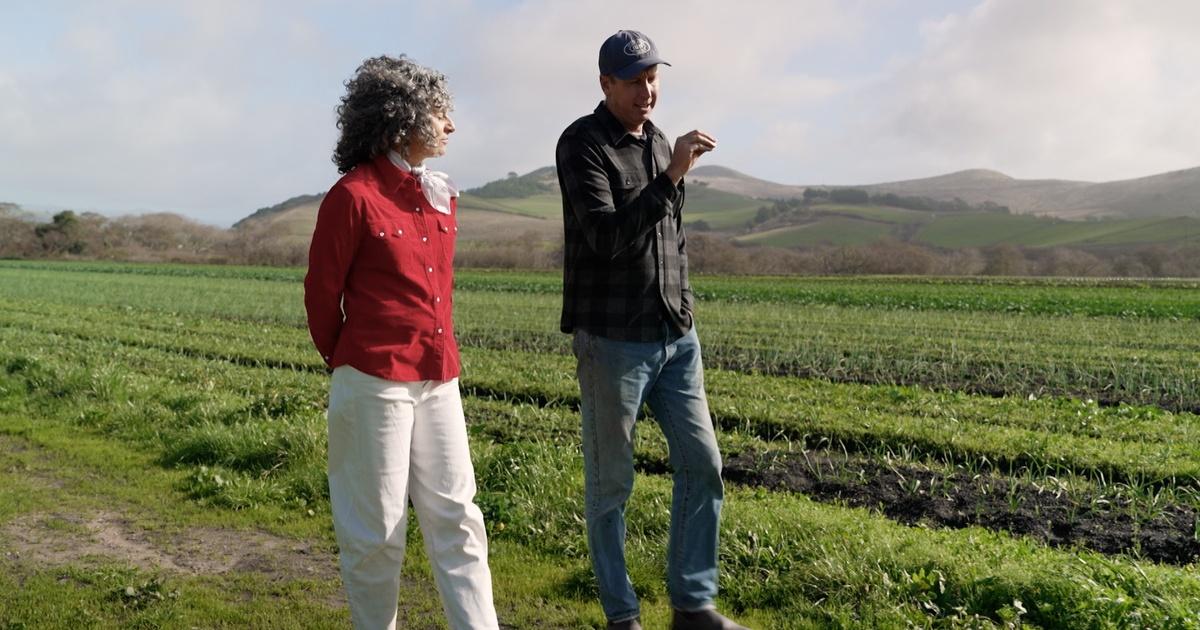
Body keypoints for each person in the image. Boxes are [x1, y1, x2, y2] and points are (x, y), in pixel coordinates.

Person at [555, 30, 748, 630]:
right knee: (611, 484)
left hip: (674, 337)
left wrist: (684, 306)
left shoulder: (659, 141)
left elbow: (672, 237)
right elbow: (606, 237)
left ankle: (693, 606)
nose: (647, 90)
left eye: (653, 77)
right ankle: (623, 617)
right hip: (613, 341)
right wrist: (671, 177)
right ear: (606, 83)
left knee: (703, 464)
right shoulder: (582, 144)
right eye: (634, 80)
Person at [304, 55, 499, 630]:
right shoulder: (352, 197)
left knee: (459, 519)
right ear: (400, 120)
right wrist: (352, 362)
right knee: (376, 532)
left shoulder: (439, 195)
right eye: (439, 113)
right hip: (374, 381)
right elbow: (321, 295)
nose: (450, 125)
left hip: (439, 378)